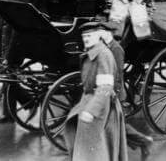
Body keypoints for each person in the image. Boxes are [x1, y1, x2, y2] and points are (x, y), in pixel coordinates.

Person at [64, 21, 128, 161]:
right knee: (93, 147)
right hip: (92, 104)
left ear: (98, 36)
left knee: (95, 149)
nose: (86, 39)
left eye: (89, 36)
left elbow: (105, 87)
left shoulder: (103, 55)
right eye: (84, 36)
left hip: (99, 107)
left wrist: (91, 110)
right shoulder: (93, 53)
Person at [101, 24, 154, 159]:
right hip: (107, 90)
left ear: (109, 33)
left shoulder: (116, 49)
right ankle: (142, 142)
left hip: (114, 92)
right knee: (113, 124)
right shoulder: (105, 47)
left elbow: (118, 74)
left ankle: (144, 141)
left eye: (102, 31)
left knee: (116, 124)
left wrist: (113, 93)